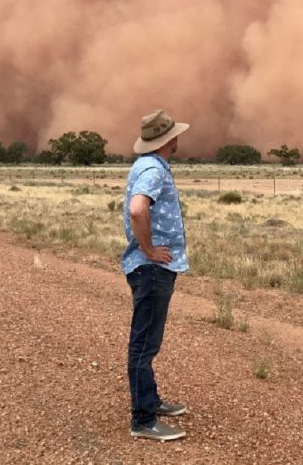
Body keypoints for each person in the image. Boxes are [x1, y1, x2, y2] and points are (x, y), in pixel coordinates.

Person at [121, 109, 191, 441]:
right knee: (144, 343)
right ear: (169, 140)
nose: (178, 138)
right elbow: (138, 208)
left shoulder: (147, 166)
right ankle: (144, 420)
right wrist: (149, 250)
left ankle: (151, 401)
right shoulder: (152, 169)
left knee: (148, 341)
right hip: (152, 269)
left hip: (152, 268)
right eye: (175, 134)